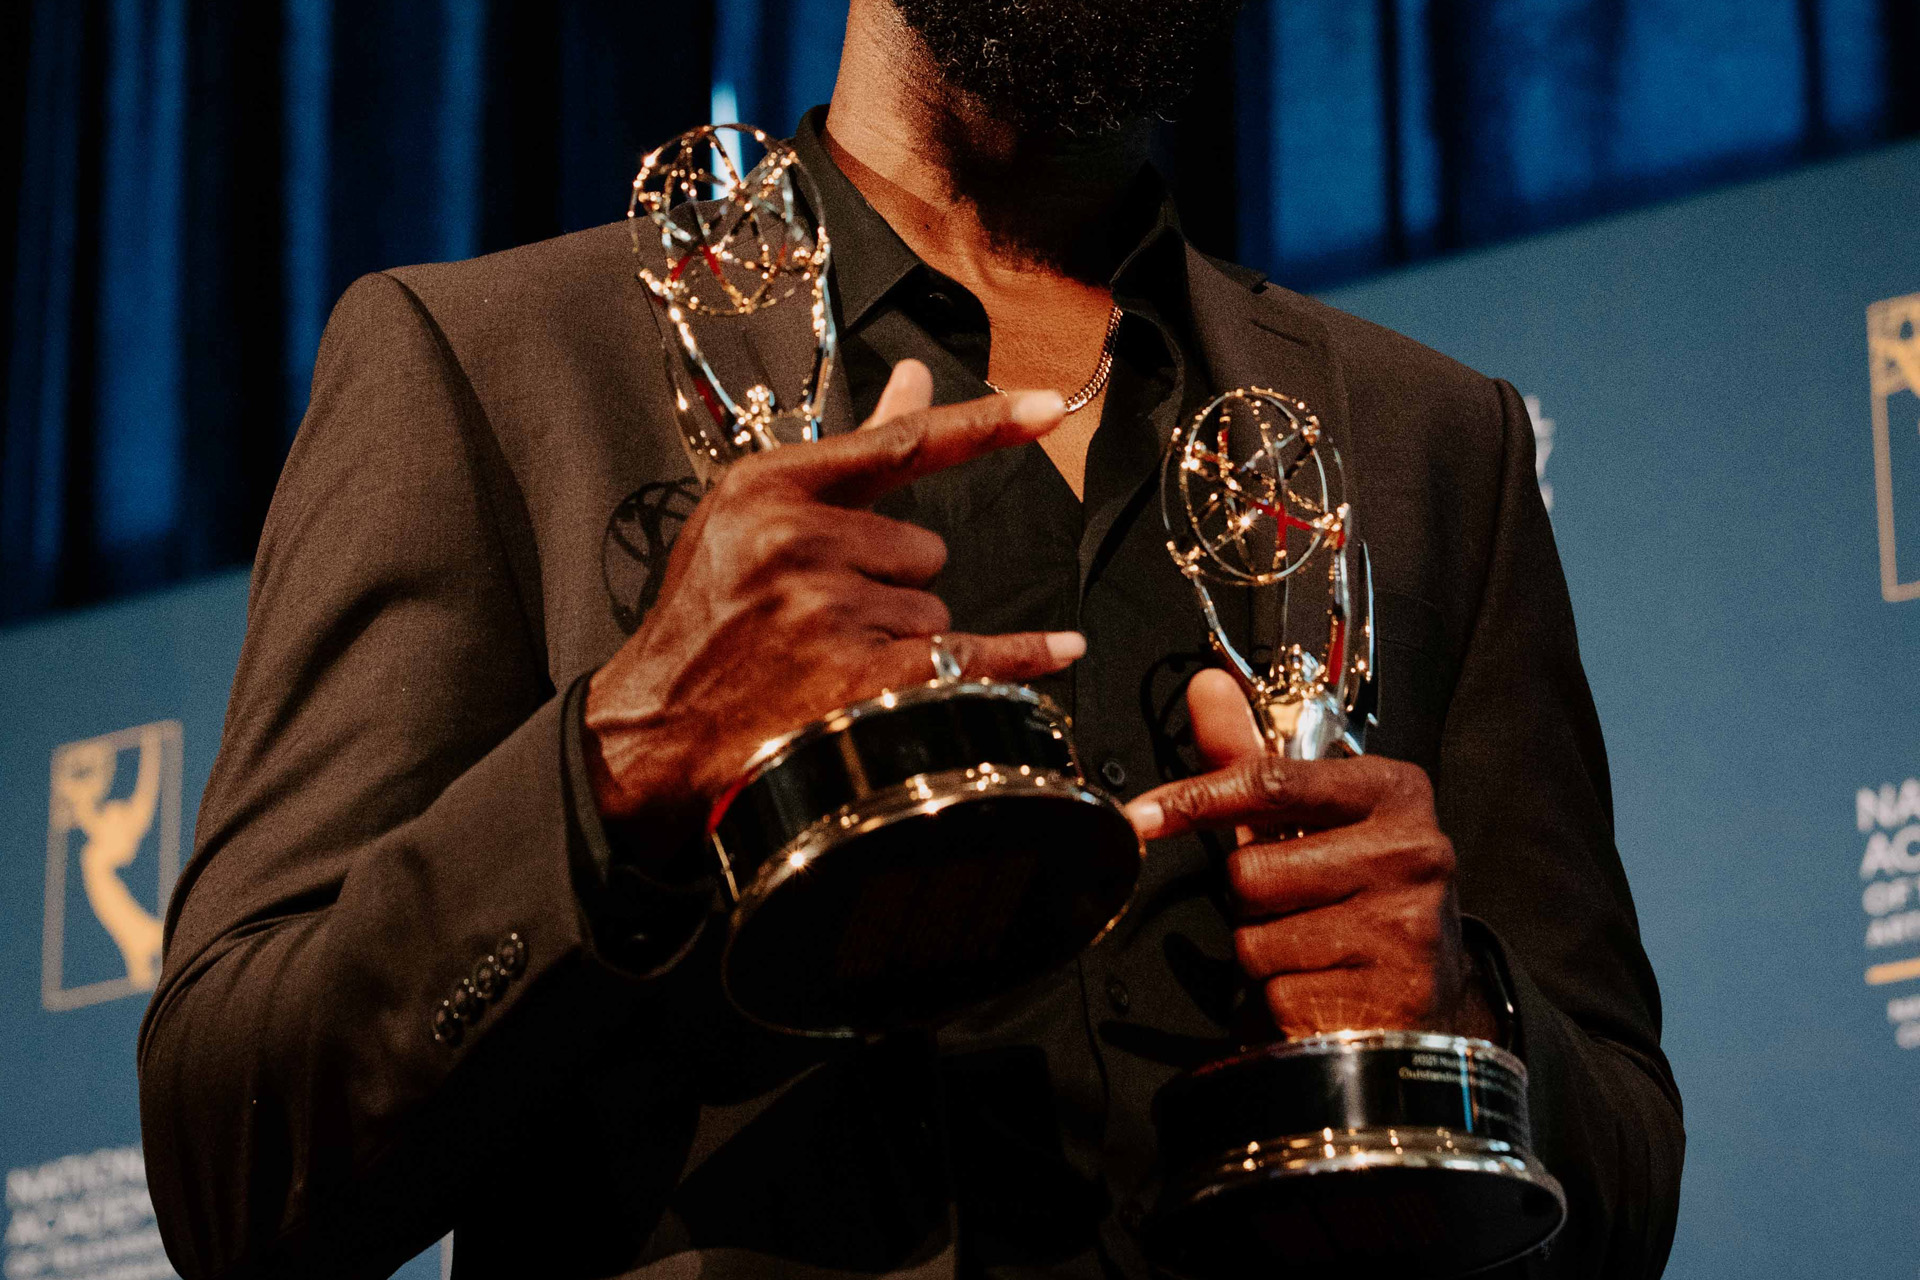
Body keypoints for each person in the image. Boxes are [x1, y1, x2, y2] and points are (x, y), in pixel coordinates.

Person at [138, 0, 1684, 1276]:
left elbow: (1624, 1189)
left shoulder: (1427, 441)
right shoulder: (491, 369)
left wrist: (1462, 1015)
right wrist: (620, 763)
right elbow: (231, 1162)